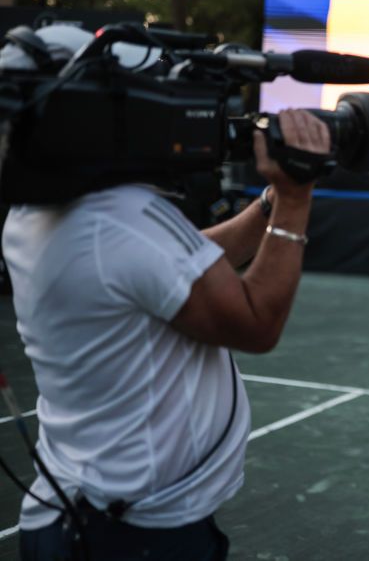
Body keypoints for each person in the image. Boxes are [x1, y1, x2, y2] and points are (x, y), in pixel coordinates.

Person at [4, 31, 329, 560]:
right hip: (130, 536)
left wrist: (268, 205)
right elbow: (255, 323)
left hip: (79, 511)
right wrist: (295, 200)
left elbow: (173, 264)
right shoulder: (120, 223)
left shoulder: (41, 211)